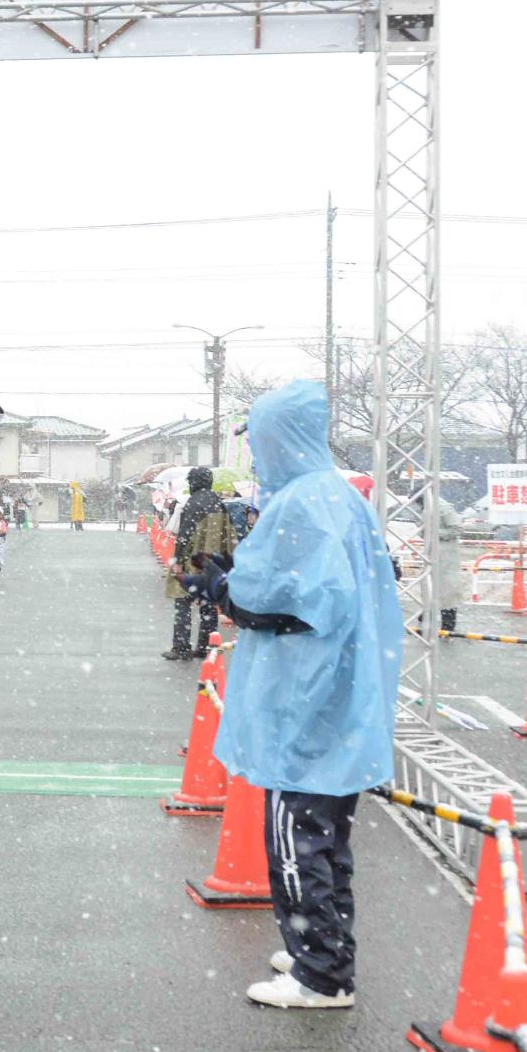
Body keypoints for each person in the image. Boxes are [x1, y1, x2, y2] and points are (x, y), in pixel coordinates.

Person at [180, 380, 401, 1010]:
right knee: (328, 837)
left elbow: (287, 600)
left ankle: (321, 974)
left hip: (306, 702)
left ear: (276, 439)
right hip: (342, 700)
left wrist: (223, 590)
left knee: (294, 837)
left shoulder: (301, 503)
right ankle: (320, 945)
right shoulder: (339, 497)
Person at [163, 466, 234, 660]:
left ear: (194, 482)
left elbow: (185, 536)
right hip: (213, 562)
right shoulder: (219, 503)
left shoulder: (193, 503)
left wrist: (178, 560)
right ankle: (206, 646)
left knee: (183, 601)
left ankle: (181, 646)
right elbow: (228, 534)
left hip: (193, 560)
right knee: (208, 603)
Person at [433, 495, 464, 635]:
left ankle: (448, 622)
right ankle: (428, 614)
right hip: (433, 554)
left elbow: (457, 529)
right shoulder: (428, 508)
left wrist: (435, 533)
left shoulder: (443, 508)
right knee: (431, 586)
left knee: (448, 589)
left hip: (447, 556)